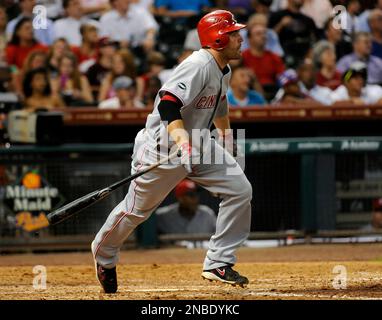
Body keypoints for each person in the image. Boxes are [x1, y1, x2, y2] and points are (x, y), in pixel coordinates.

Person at [91, 10, 252, 293]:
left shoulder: (224, 69)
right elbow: (167, 104)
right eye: (233, 34)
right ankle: (104, 254)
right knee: (135, 211)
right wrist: (183, 143)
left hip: (199, 143)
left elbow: (220, 103)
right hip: (162, 149)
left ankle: (218, 262)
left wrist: (226, 136)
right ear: (217, 39)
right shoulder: (198, 65)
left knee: (239, 190)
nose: (240, 39)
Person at [268, 0, 317, 67]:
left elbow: (313, 42)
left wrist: (309, 58)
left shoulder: (308, 21)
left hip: (303, 59)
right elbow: (269, 39)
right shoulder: (277, 16)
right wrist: (281, 25)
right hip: (281, 57)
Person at [242, 23, 285, 91]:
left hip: (272, 91)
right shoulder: (243, 57)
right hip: (250, 91)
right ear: (250, 38)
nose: (263, 36)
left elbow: (282, 77)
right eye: (258, 34)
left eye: (264, 33)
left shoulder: (274, 57)